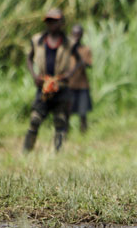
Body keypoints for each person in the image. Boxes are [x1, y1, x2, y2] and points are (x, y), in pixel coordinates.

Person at [23, 8, 81, 152]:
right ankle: (26, 151)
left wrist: (69, 74)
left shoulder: (68, 43)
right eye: (49, 21)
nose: (51, 24)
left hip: (60, 87)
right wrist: (34, 76)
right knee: (35, 119)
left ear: (61, 23)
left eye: (54, 21)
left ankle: (58, 153)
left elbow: (79, 61)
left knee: (60, 121)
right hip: (43, 86)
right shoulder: (38, 40)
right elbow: (29, 58)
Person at [67, 24, 93, 133]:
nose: (76, 37)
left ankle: (84, 134)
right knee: (66, 112)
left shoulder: (86, 50)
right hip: (69, 85)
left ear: (81, 35)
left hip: (82, 86)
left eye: (78, 35)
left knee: (83, 113)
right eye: (74, 34)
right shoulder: (66, 50)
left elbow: (87, 65)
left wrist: (76, 53)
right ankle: (65, 133)